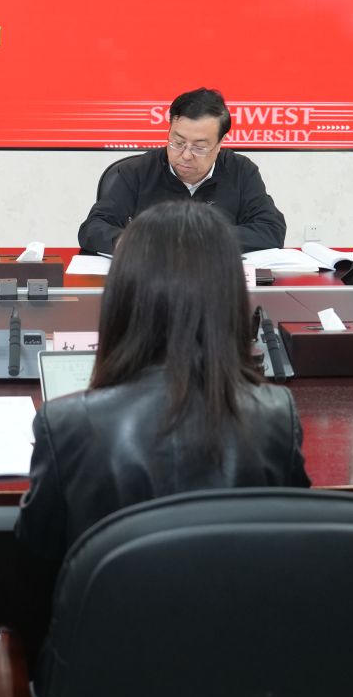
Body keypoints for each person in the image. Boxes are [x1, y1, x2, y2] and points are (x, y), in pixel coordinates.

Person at [18, 199, 309, 566]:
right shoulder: (276, 417)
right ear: (231, 298)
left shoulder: (65, 425)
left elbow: (36, 566)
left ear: (121, 296)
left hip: (112, 604)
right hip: (236, 604)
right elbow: (291, 554)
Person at [77, 87, 287, 254]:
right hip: (150, 283)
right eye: (177, 142)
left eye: (199, 147)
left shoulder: (241, 171)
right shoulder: (137, 171)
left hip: (219, 283)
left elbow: (271, 229)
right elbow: (92, 228)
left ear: (221, 142)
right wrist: (130, 241)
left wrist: (202, 238)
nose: (186, 155)